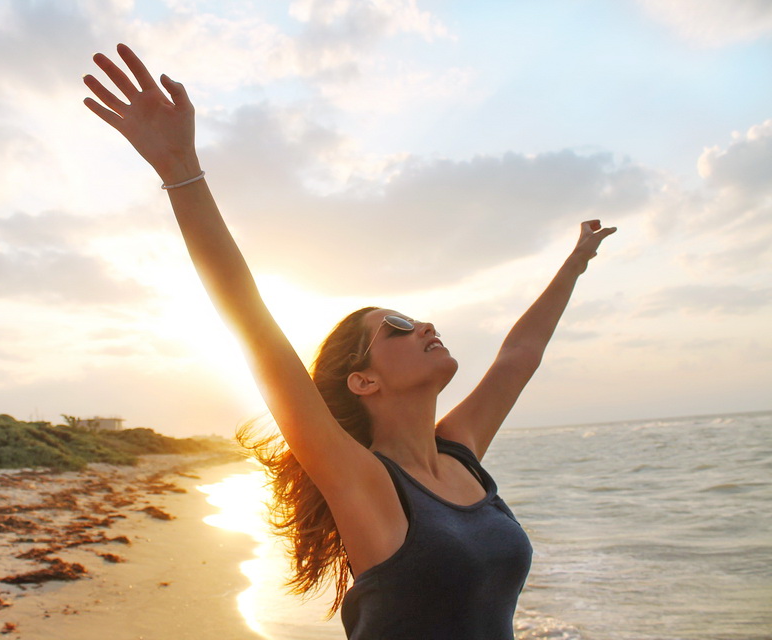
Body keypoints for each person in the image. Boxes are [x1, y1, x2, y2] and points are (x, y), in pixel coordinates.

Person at [83, 44, 616, 640]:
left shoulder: (460, 454)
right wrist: (182, 170)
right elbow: (255, 328)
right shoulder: (364, 482)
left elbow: (519, 358)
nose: (424, 326)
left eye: (416, 318)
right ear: (363, 381)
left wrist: (574, 265)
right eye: (397, 327)